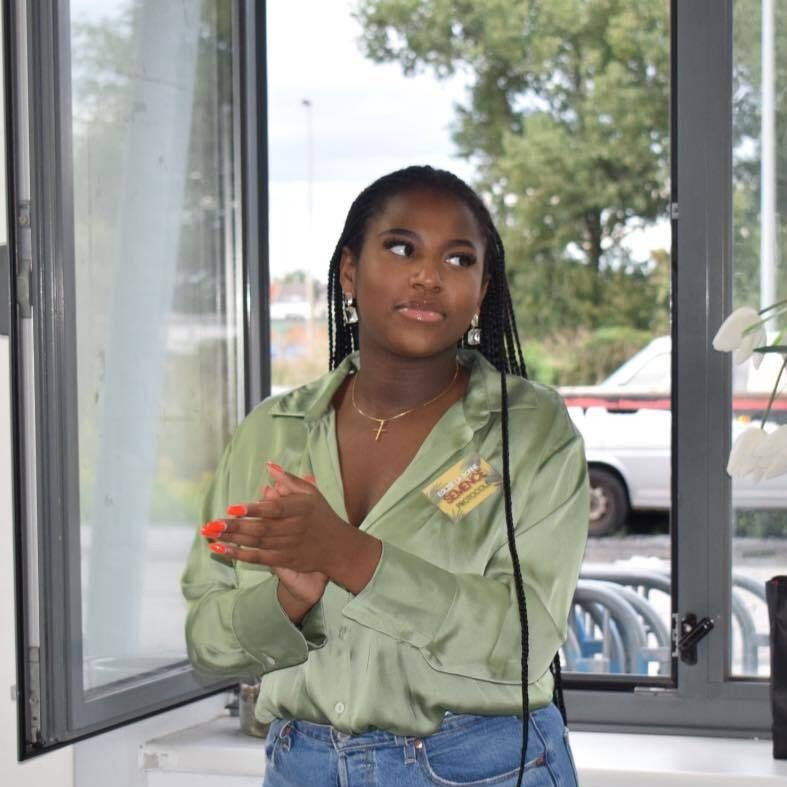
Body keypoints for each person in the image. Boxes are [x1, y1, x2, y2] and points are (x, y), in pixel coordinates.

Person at [181, 165, 588, 786]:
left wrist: (350, 556)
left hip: (481, 766)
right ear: (349, 272)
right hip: (302, 765)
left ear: (481, 291)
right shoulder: (273, 430)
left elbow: (522, 639)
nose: (428, 276)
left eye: (458, 259)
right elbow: (208, 640)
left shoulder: (529, 430)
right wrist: (290, 598)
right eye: (401, 248)